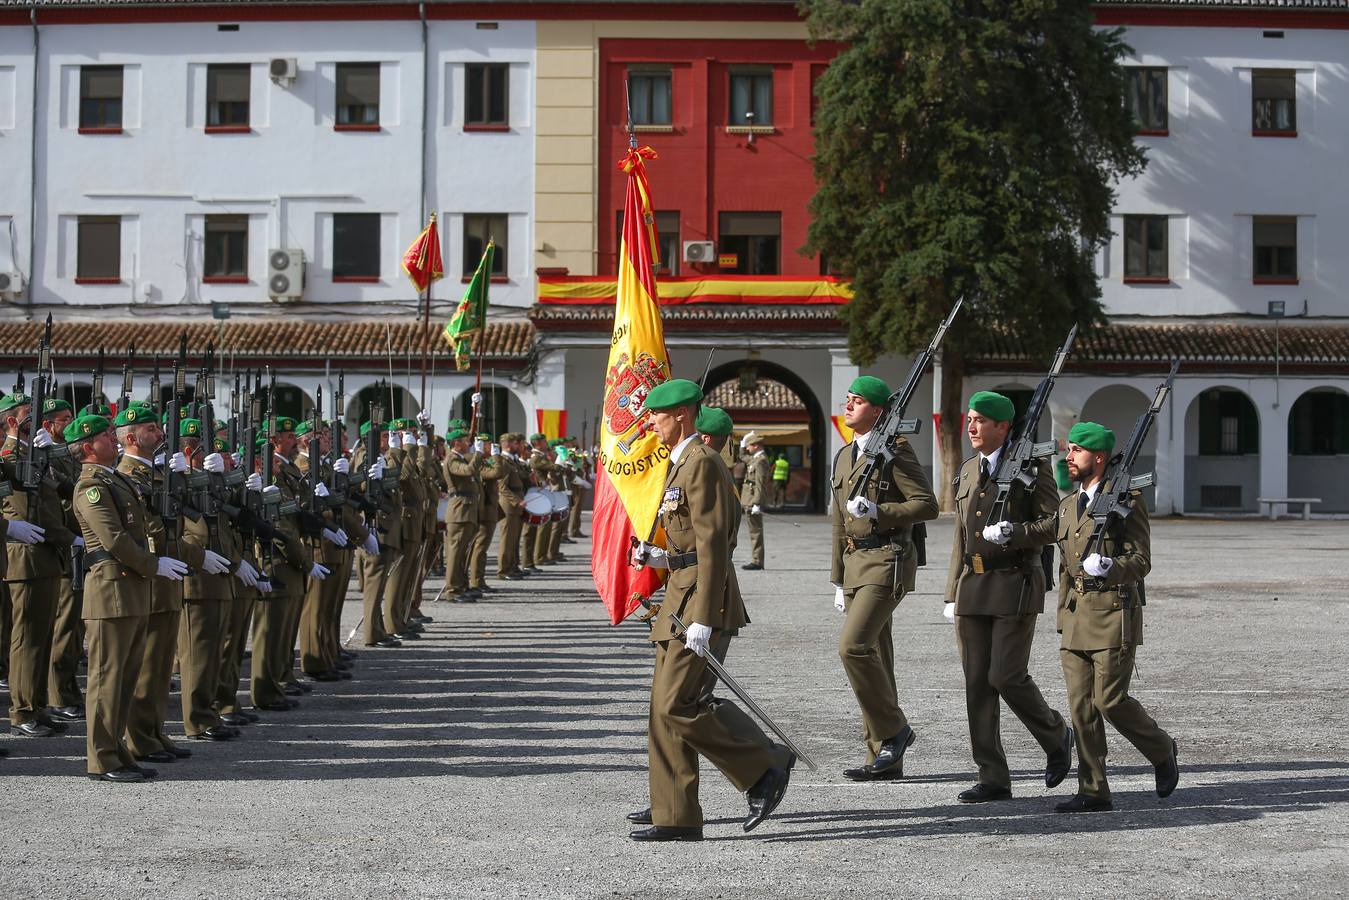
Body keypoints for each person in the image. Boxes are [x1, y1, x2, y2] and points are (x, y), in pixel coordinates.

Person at [628, 378, 793, 842]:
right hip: (680, 591)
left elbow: (714, 541)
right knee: (664, 710)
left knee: (676, 703)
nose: (651, 424)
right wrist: (658, 558)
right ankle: (675, 813)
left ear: (681, 415)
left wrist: (704, 614)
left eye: (657, 416)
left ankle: (764, 766)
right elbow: (688, 542)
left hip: (701, 598)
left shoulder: (701, 462)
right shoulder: (681, 464)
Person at [1025, 421, 1179, 813]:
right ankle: (1094, 789)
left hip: (1112, 614)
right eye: (1069, 449)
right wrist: (1012, 531)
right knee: (1082, 708)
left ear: (1098, 457)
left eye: (1076, 450)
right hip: (1075, 616)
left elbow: (1141, 560)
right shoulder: (1069, 503)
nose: (1068, 456)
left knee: (1109, 701)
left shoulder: (1126, 499)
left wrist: (1110, 565)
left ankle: (1162, 749)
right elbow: (1048, 531)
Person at [944, 391, 1073, 804]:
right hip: (973, 584)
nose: (971, 426)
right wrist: (951, 591)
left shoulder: (1032, 468)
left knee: (1005, 675)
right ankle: (993, 776)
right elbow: (960, 538)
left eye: (981, 420)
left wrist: (1016, 533)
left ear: (1003, 427)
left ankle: (1056, 736)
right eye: (970, 419)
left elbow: (1055, 524)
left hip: (1015, 581)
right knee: (976, 683)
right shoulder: (967, 470)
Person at [830, 375, 939, 781]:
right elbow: (838, 523)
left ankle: (895, 731)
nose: (849, 405)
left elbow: (927, 504)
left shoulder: (896, 450)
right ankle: (884, 755)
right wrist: (837, 579)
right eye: (848, 399)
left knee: (852, 648)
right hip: (856, 563)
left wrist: (880, 511)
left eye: (857, 401)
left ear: (877, 411)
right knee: (875, 653)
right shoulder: (844, 457)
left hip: (888, 558)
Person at [70, 411, 188, 782]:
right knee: (107, 679)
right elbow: (115, 540)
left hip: (130, 589)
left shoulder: (115, 480)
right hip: (111, 590)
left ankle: (119, 751)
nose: (113, 437)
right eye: (106, 435)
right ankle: (101, 759)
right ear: (89, 447)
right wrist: (155, 566)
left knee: (125, 677)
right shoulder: (90, 486)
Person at [738, 432, 770, 571]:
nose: (747, 449)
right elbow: (742, 457)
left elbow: (760, 484)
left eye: (749, 446)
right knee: (753, 532)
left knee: (755, 532)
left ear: (756, 446)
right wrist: (743, 443)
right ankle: (756, 559)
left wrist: (757, 502)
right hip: (749, 500)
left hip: (753, 501)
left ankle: (757, 561)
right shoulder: (755, 459)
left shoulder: (761, 460)